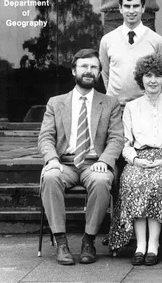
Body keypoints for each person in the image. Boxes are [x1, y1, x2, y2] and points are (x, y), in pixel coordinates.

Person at [38, 49, 124, 266]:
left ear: (98, 73)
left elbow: (116, 139)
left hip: (95, 163)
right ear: (74, 70)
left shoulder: (110, 103)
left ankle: (89, 240)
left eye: (94, 67)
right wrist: (52, 160)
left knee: (102, 181)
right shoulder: (56, 103)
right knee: (49, 178)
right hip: (64, 162)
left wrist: (105, 161)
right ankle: (61, 243)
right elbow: (46, 137)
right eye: (84, 66)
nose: (89, 71)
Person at [108, 54, 162, 266]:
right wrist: (134, 159)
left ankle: (153, 244)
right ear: (141, 78)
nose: (153, 80)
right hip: (139, 158)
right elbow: (126, 142)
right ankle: (139, 244)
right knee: (132, 181)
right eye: (148, 75)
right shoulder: (132, 107)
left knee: (157, 183)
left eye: (158, 76)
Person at [99, 0, 162, 105]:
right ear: (120, 9)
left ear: (143, 8)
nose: (131, 11)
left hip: (145, 107)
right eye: (127, 6)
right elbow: (105, 73)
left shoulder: (156, 40)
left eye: (136, 6)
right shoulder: (107, 40)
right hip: (115, 108)